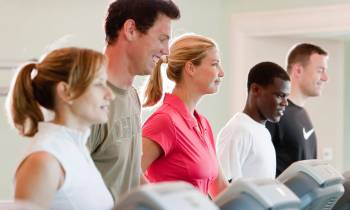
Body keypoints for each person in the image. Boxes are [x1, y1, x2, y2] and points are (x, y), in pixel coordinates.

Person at [86, 0, 180, 202]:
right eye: (162, 39)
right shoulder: (87, 100)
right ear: (130, 30)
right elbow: (69, 185)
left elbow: (131, 175)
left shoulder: (131, 96)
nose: (167, 51)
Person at [6, 47, 115, 210]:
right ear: (66, 91)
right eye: (98, 84)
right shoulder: (43, 161)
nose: (110, 94)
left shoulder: (75, 149)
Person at [141, 34, 228, 198]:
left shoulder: (203, 124)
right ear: (191, 68)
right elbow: (129, 175)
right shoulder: (164, 121)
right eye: (215, 64)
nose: (221, 73)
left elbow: (220, 188)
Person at [217, 62, 291, 182]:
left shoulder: (263, 131)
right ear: (256, 89)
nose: (285, 103)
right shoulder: (237, 130)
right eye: (280, 95)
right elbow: (222, 191)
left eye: (286, 97)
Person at [266, 43, 329, 176]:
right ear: (298, 71)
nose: (325, 78)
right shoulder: (274, 114)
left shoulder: (302, 113)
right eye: (320, 70)